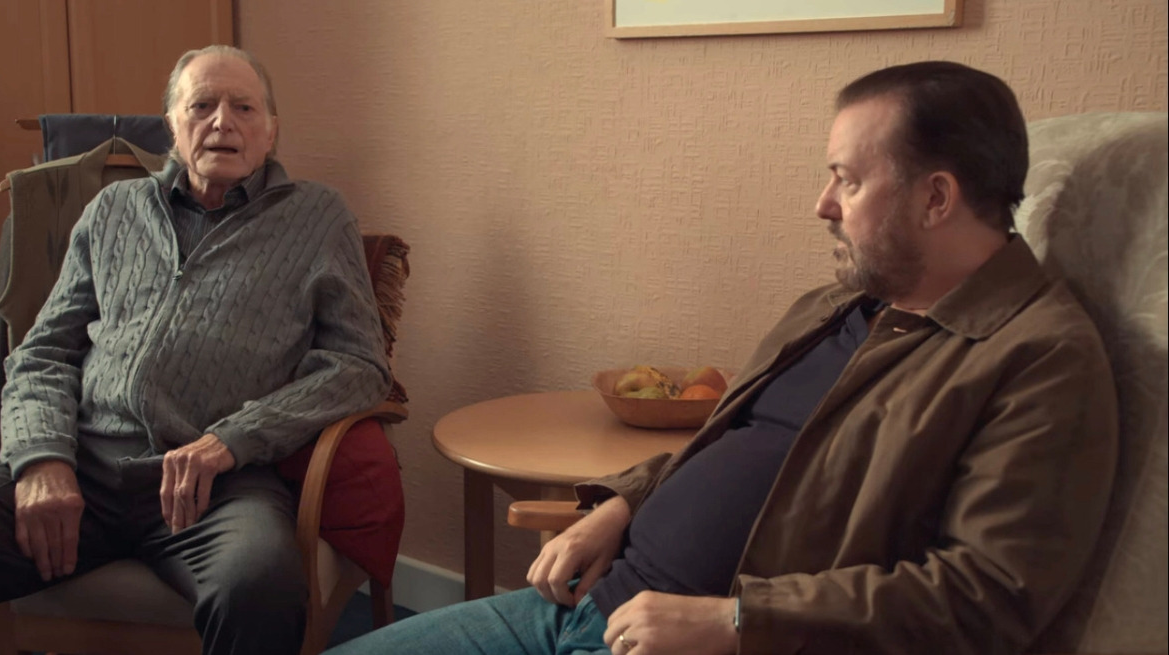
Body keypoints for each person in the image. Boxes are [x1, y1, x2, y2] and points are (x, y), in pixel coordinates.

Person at [327, 61, 1118, 655]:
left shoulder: (1038, 357)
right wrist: (620, 507)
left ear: (935, 198)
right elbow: (733, 444)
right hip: (585, 603)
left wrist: (735, 621)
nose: (822, 203)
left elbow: (987, 597)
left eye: (846, 179)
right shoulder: (835, 305)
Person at [0, 45, 391, 655]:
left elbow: (360, 366)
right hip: (84, 464)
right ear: (172, 124)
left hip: (221, 483)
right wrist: (42, 459)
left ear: (271, 129)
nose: (222, 121)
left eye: (243, 107)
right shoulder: (113, 209)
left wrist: (234, 439)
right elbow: (43, 353)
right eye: (202, 106)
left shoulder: (318, 217)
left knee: (262, 586)